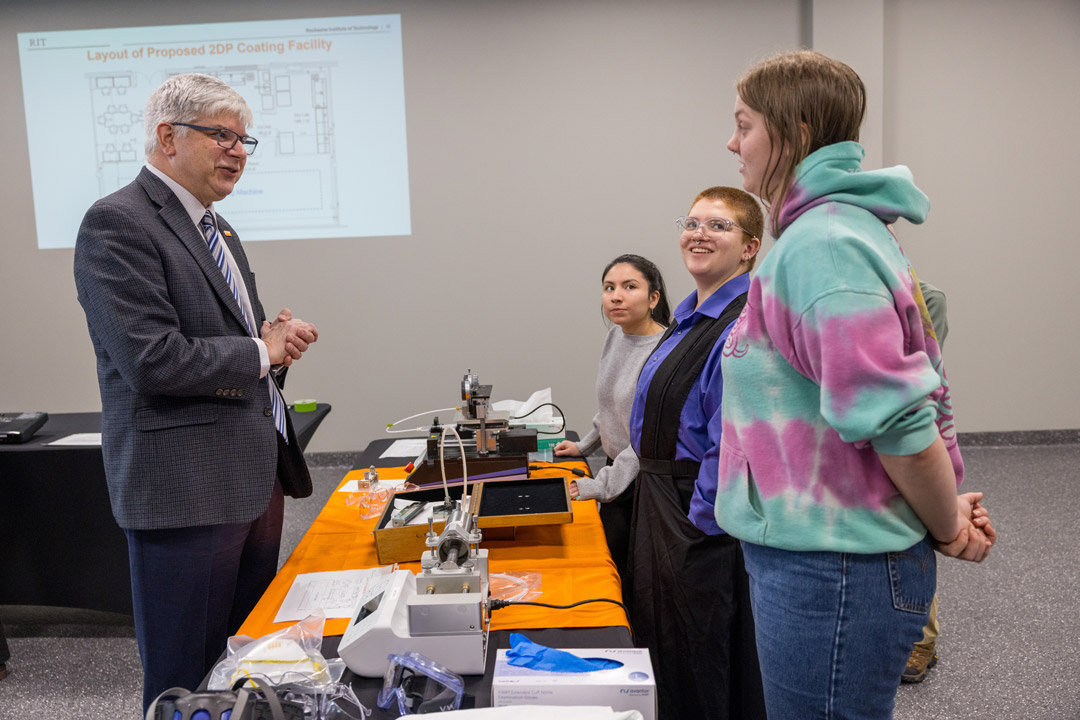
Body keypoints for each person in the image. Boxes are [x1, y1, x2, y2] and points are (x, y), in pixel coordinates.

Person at [714, 50, 995, 719]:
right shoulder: (826, 233)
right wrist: (943, 509)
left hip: (833, 570)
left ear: (797, 131)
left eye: (745, 124)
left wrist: (946, 521)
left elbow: (896, 422)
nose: (732, 142)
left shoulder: (824, 246)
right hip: (825, 558)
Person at [73, 73, 319, 712]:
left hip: (251, 479)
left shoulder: (221, 231)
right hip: (185, 491)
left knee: (242, 667)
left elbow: (241, 351)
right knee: (185, 683)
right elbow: (151, 361)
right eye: (221, 135)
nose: (237, 150)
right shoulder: (117, 223)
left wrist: (275, 346)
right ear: (167, 137)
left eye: (244, 139)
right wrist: (258, 351)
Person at [625, 186, 767, 720]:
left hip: (696, 517)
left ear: (750, 247)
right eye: (692, 222)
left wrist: (699, 523)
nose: (698, 233)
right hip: (660, 499)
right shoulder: (688, 317)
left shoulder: (742, 323)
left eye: (718, 225)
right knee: (664, 643)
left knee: (699, 650)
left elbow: (731, 434)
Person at [553, 254, 670, 585]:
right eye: (609, 287)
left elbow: (644, 438)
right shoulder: (617, 335)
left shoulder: (663, 352)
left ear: (653, 298)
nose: (616, 296)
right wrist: (584, 445)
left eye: (629, 287)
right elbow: (612, 404)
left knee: (622, 576)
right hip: (616, 465)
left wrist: (598, 485)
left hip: (641, 480)